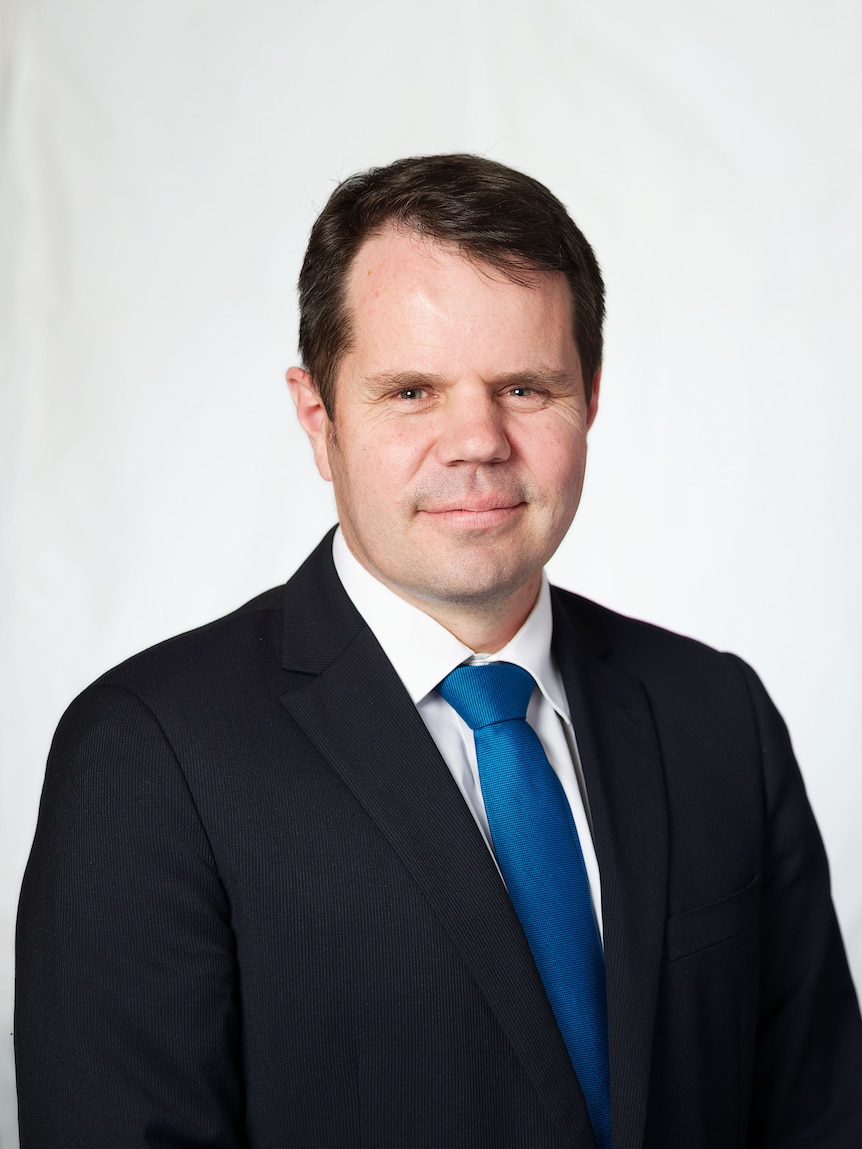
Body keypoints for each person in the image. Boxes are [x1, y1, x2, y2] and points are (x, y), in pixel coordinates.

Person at [15, 154, 862, 1149]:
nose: (477, 442)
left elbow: (820, 1116)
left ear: (588, 398)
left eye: (523, 387)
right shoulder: (148, 754)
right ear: (317, 419)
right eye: (412, 391)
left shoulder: (716, 715)